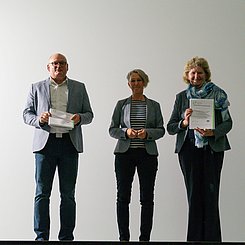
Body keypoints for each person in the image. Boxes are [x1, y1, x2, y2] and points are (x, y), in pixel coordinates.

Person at [23, 53, 93, 241]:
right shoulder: (36, 87)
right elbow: (26, 114)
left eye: (62, 63)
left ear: (67, 67)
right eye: (54, 63)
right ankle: (41, 237)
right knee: (42, 193)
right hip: (45, 145)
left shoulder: (79, 87)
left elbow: (89, 114)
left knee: (68, 194)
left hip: (69, 145)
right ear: (48, 67)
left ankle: (66, 238)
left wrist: (79, 118)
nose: (58, 66)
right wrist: (39, 119)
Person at [167, 56, 232, 242]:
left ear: (206, 74)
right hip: (188, 150)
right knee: (193, 194)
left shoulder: (219, 94)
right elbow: (171, 127)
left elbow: (228, 123)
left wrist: (213, 132)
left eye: (200, 72)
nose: (196, 76)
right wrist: (185, 122)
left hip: (212, 149)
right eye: (193, 73)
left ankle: (213, 240)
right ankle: (194, 240)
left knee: (211, 195)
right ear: (188, 75)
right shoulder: (181, 97)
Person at [109, 69, 165, 242]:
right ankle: (123, 238)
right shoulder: (121, 104)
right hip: (124, 155)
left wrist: (146, 133)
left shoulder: (154, 105)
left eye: (139, 80)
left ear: (144, 82)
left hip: (147, 155)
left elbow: (161, 130)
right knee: (123, 197)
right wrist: (126, 132)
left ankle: (144, 239)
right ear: (128, 84)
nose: (136, 84)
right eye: (132, 81)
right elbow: (112, 129)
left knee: (147, 198)